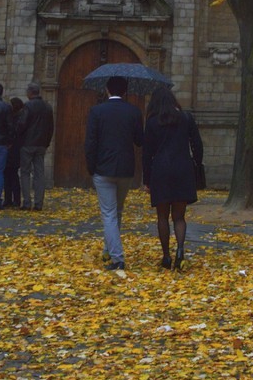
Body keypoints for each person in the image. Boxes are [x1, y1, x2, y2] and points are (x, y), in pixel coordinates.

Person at [84, 74, 144, 272]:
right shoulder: (134, 112)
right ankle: (108, 250)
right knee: (116, 212)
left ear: (107, 90)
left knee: (109, 213)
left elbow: (91, 142)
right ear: (125, 91)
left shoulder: (97, 111)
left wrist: (91, 167)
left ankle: (117, 258)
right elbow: (139, 140)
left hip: (103, 168)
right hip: (126, 169)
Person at [142, 87, 204, 270]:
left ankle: (166, 255)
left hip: (160, 170)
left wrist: (147, 179)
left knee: (162, 216)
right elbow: (197, 144)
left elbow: (147, 153)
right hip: (183, 168)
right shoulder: (186, 118)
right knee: (179, 217)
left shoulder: (152, 122)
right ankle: (180, 250)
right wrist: (196, 164)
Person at [17, 82, 55, 211]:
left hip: (28, 143)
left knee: (25, 172)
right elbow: (51, 127)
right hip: (41, 144)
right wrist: (46, 142)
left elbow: (22, 124)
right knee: (39, 173)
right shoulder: (47, 107)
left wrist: (19, 136)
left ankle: (27, 202)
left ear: (30, 93)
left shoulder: (28, 106)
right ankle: (39, 202)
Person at [4, 97, 24, 208]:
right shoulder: (15, 116)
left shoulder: (17, 117)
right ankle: (10, 199)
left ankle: (13, 199)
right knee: (9, 173)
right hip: (13, 147)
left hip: (14, 147)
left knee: (11, 174)